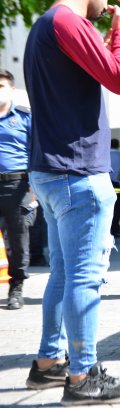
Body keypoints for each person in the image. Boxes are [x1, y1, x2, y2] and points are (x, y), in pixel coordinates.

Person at [23, 0, 120, 405]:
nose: (107, 4)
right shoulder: (70, 24)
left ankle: (50, 363)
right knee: (84, 279)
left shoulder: (42, 25)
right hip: (76, 173)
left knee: (62, 274)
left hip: (50, 170)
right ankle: (83, 376)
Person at [0, 70, 35, 310]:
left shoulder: (24, 118)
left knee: (17, 236)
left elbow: (38, 153)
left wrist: (34, 189)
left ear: (12, 89)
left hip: (17, 185)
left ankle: (17, 286)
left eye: (1, 86)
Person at [109, 138, 120, 237]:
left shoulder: (105, 155)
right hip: (118, 186)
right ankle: (115, 230)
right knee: (118, 208)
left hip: (106, 184)